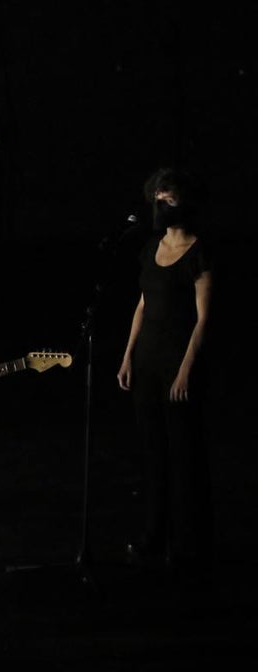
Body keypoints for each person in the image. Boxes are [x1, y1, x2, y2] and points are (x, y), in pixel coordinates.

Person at [116, 166, 213, 581]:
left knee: (183, 457)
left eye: (170, 198)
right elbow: (142, 305)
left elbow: (204, 319)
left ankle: (187, 544)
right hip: (147, 363)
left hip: (177, 364)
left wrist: (186, 370)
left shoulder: (199, 252)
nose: (162, 204)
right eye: (158, 198)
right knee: (153, 455)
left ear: (184, 201)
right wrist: (127, 355)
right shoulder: (150, 248)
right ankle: (153, 536)